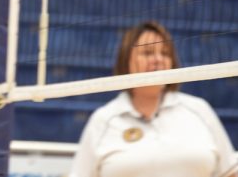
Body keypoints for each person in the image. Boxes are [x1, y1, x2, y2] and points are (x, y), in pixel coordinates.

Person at [70, 21, 236, 177]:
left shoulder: (199, 109)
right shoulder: (104, 119)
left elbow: (230, 172)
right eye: (147, 52)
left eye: (164, 53)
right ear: (126, 60)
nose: (158, 59)